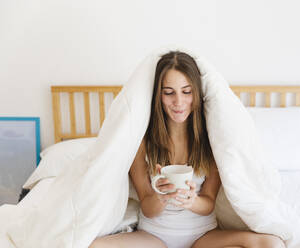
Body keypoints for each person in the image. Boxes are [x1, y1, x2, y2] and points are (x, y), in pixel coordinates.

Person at [89, 51, 285, 248]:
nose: (178, 102)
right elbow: (147, 207)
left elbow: (208, 202)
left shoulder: (211, 139)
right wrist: (161, 197)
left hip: (202, 237)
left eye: (186, 91)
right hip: (155, 237)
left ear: (196, 93)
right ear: (159, 95)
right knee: (95, 246)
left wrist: (191, 201)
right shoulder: (142, 141)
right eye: (169, 92)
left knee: (272, 244)